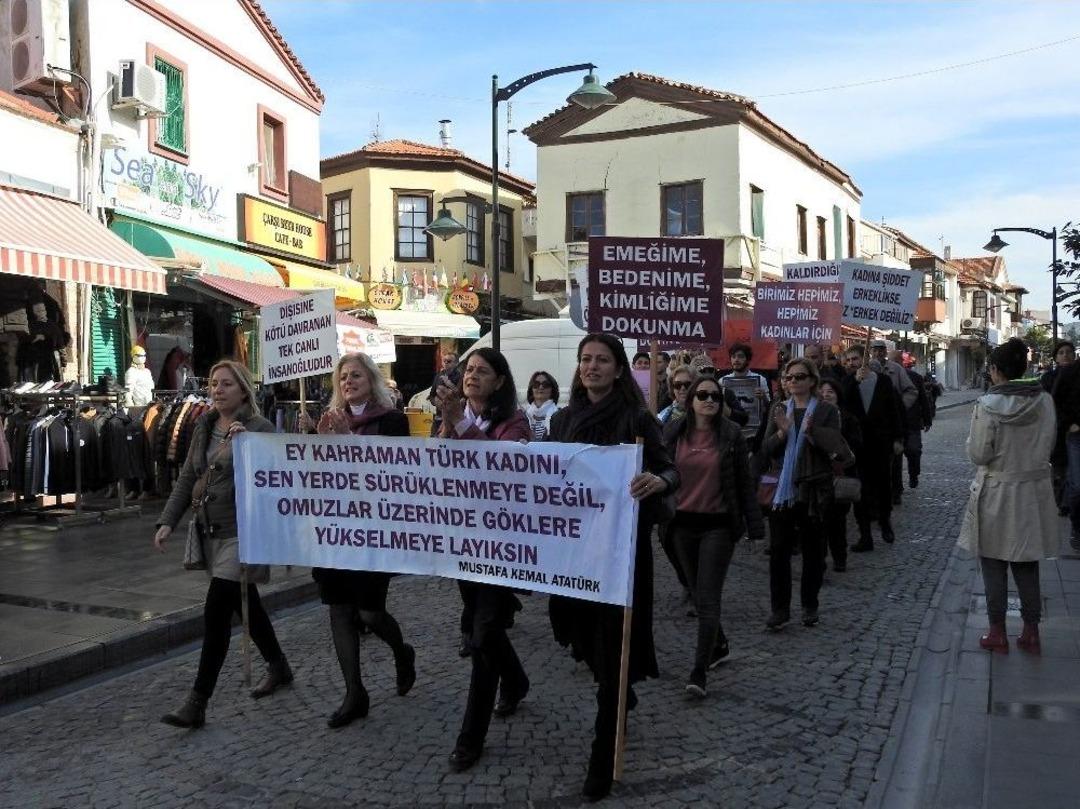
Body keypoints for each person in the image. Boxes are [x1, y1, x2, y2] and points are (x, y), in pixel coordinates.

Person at [547, 333, 678, 802]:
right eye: (586, 359)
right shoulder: (562, 420)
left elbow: (670, 469)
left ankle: (602, 755)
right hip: (573, 554)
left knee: (612, 650)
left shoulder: (636, 418)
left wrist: (657, 480)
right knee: (582, 641)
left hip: (619, 554)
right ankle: (620, 690)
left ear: (619, 369)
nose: (592, 367)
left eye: (602, 360)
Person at [153, 360, 290, 729]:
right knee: (247, 606)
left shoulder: (258, 428)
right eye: (213, 383)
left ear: (244, 389)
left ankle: (197, 702)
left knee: (216, 611)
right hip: (209, 531)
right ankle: (278, 665)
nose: (217, 390)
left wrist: (249, 448)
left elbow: (278, 478)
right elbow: (188, 476)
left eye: (226, 384)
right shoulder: (204, 425)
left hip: (243, 535)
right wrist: (168, 521)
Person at [297, 353, 416, 728]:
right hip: (335, 529)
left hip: (374, 532)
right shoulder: (329, 420)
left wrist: (344, 441)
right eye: (343, 377)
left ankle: (401, 650)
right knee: (339, 609)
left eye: (356, 375)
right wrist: (311, 443)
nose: (348, 381)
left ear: (372, 379)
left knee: (369, 612)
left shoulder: (393, 421)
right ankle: (354, 692)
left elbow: (394, 473)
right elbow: (317, 476)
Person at [433, 348, 531, 773]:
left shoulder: (516, 422)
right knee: (482, 625)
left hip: (502, 541)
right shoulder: (449, 419)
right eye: (467, 370)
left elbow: (499, 466)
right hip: (463, 539)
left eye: (481, 371)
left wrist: (459, 422)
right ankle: (516, 679)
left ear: (500, 381)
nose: (471, 376)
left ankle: (469, 738)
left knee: (482, 632)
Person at [664, 375, 763, 697]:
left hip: (718, 525)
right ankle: (718, 644)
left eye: (716, 397)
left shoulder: (731, 435)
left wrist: (754, 524)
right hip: (680, 524)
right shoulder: (673, 432)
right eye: (703, 395)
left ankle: (698, 671)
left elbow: (744, 483)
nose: (710, 401)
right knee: (695, 590)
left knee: (707, 598)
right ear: (690, 400)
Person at [958, 338, 1058, 654]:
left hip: (997, 490)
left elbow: (978, 454)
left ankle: (997, 631)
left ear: (997, 371)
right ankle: (1031, 630)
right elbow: (1050, 442)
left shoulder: (987, 405)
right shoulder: (1044, 402)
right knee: (1027, 561)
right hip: (1033, 489)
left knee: (993, 562)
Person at [760, 358, 844, 630]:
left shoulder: (826, 411)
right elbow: (766, 451)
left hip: (813, 490)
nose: (793, 381)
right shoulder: (778, 409)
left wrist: (812, 433)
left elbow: (835, 447)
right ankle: (780, 609)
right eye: (789, 377)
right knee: (779, 552)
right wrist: (783, 434)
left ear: (811, 380)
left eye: (799, 376)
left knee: (814, 552)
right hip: (782, 490)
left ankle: (810, 604)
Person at [841, 346, 904, 551]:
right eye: (848, 360)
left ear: (865, 358)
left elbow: (894, 410)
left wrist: (897, 438)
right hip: (857, 445)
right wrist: (854, 381)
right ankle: (865, 534)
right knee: (860, 490)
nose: (852, 363)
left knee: (883, 486)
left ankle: (885, 522)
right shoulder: (847, 381)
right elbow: (842, 404)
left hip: (880, 444)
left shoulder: (883, 381)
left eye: (855, 359)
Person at [817, 378, 862, 572]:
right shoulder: (814, 417)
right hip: (818, 474)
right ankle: (819, 559)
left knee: (837, 520)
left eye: (830, 392)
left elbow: (857, 445)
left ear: (838, 395)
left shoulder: (848, 418)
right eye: (822, 392)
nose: (826, 395)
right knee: (818, 520)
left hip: (841, 474)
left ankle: (839, 556)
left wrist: (837, 444)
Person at [897, 353, 933, 490]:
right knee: (895, 458)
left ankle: (913, 475)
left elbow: (923, 399)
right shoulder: (884, 377)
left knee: (913, 451)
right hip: (895, 424)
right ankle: (897, 487)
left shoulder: (915, 378)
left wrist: (927, 419)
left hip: (911, 422)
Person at [720, 342, 770, 438]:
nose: (736, 360)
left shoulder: (760, 380)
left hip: (754, 432)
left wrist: (763, 397)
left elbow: (769, 407)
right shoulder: (722, 381)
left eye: (740, 356)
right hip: (731, 432)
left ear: (748, 359)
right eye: (733, 357)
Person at [428, 351, 460, 435]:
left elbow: (460, 394)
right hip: (438, 417)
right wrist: (436, 402)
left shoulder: (460, 376)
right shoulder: (439, 375)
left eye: (449, 361)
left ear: (456, 363)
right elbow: (432, 395)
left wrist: (449, 383)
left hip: (453, 419)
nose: (445, 363)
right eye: (444, 361)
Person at [524, 370, 560, 441]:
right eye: (536, 384)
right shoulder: (523, 415)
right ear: (531, 389)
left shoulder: (560, 415)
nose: (540, 387)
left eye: (546, 385)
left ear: (552, 389)